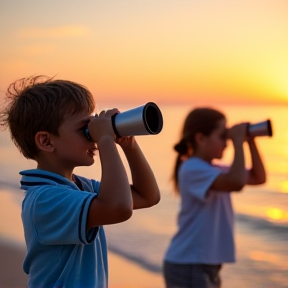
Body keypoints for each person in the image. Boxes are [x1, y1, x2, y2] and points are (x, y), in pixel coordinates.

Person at [0, 75, 161, 288]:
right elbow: (119, 208)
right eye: (85, 129)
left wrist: (129, 146)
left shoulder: (80, 187)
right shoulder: (44, 200)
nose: (93, 136)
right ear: (46, 141)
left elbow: (147, 196)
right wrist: (105, 140)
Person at [163, 107, 266, 288]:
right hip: (190, 263)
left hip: (202, 264)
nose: (226, 143)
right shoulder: (192, 168)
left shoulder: (214, 170)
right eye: (222, 136)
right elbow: (236, 182)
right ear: (201, 138)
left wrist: (250, 141)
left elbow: (258, 177)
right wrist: (238, 141)